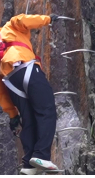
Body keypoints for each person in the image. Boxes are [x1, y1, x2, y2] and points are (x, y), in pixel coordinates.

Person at [0, 13, 60, 175]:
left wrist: (12, 113)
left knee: (29, 119)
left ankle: (29, 165)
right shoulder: (9, 27)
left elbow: (1, 88)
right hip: (26, 68)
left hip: (10, 81)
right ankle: (41, 155)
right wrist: (47, 19)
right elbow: (21, 20)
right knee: (46, 110)